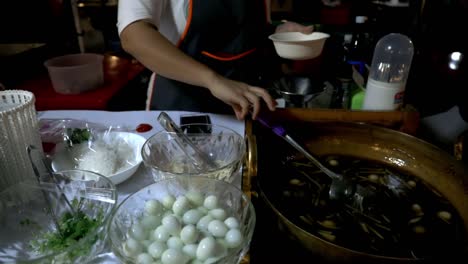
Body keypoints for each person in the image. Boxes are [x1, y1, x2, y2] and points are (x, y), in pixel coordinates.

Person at [117, 0, 313, 120]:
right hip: (186, 107)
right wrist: (212, 80)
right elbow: (134, 36)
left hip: (249, 103)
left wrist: (278, 33)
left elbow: (242, 30)